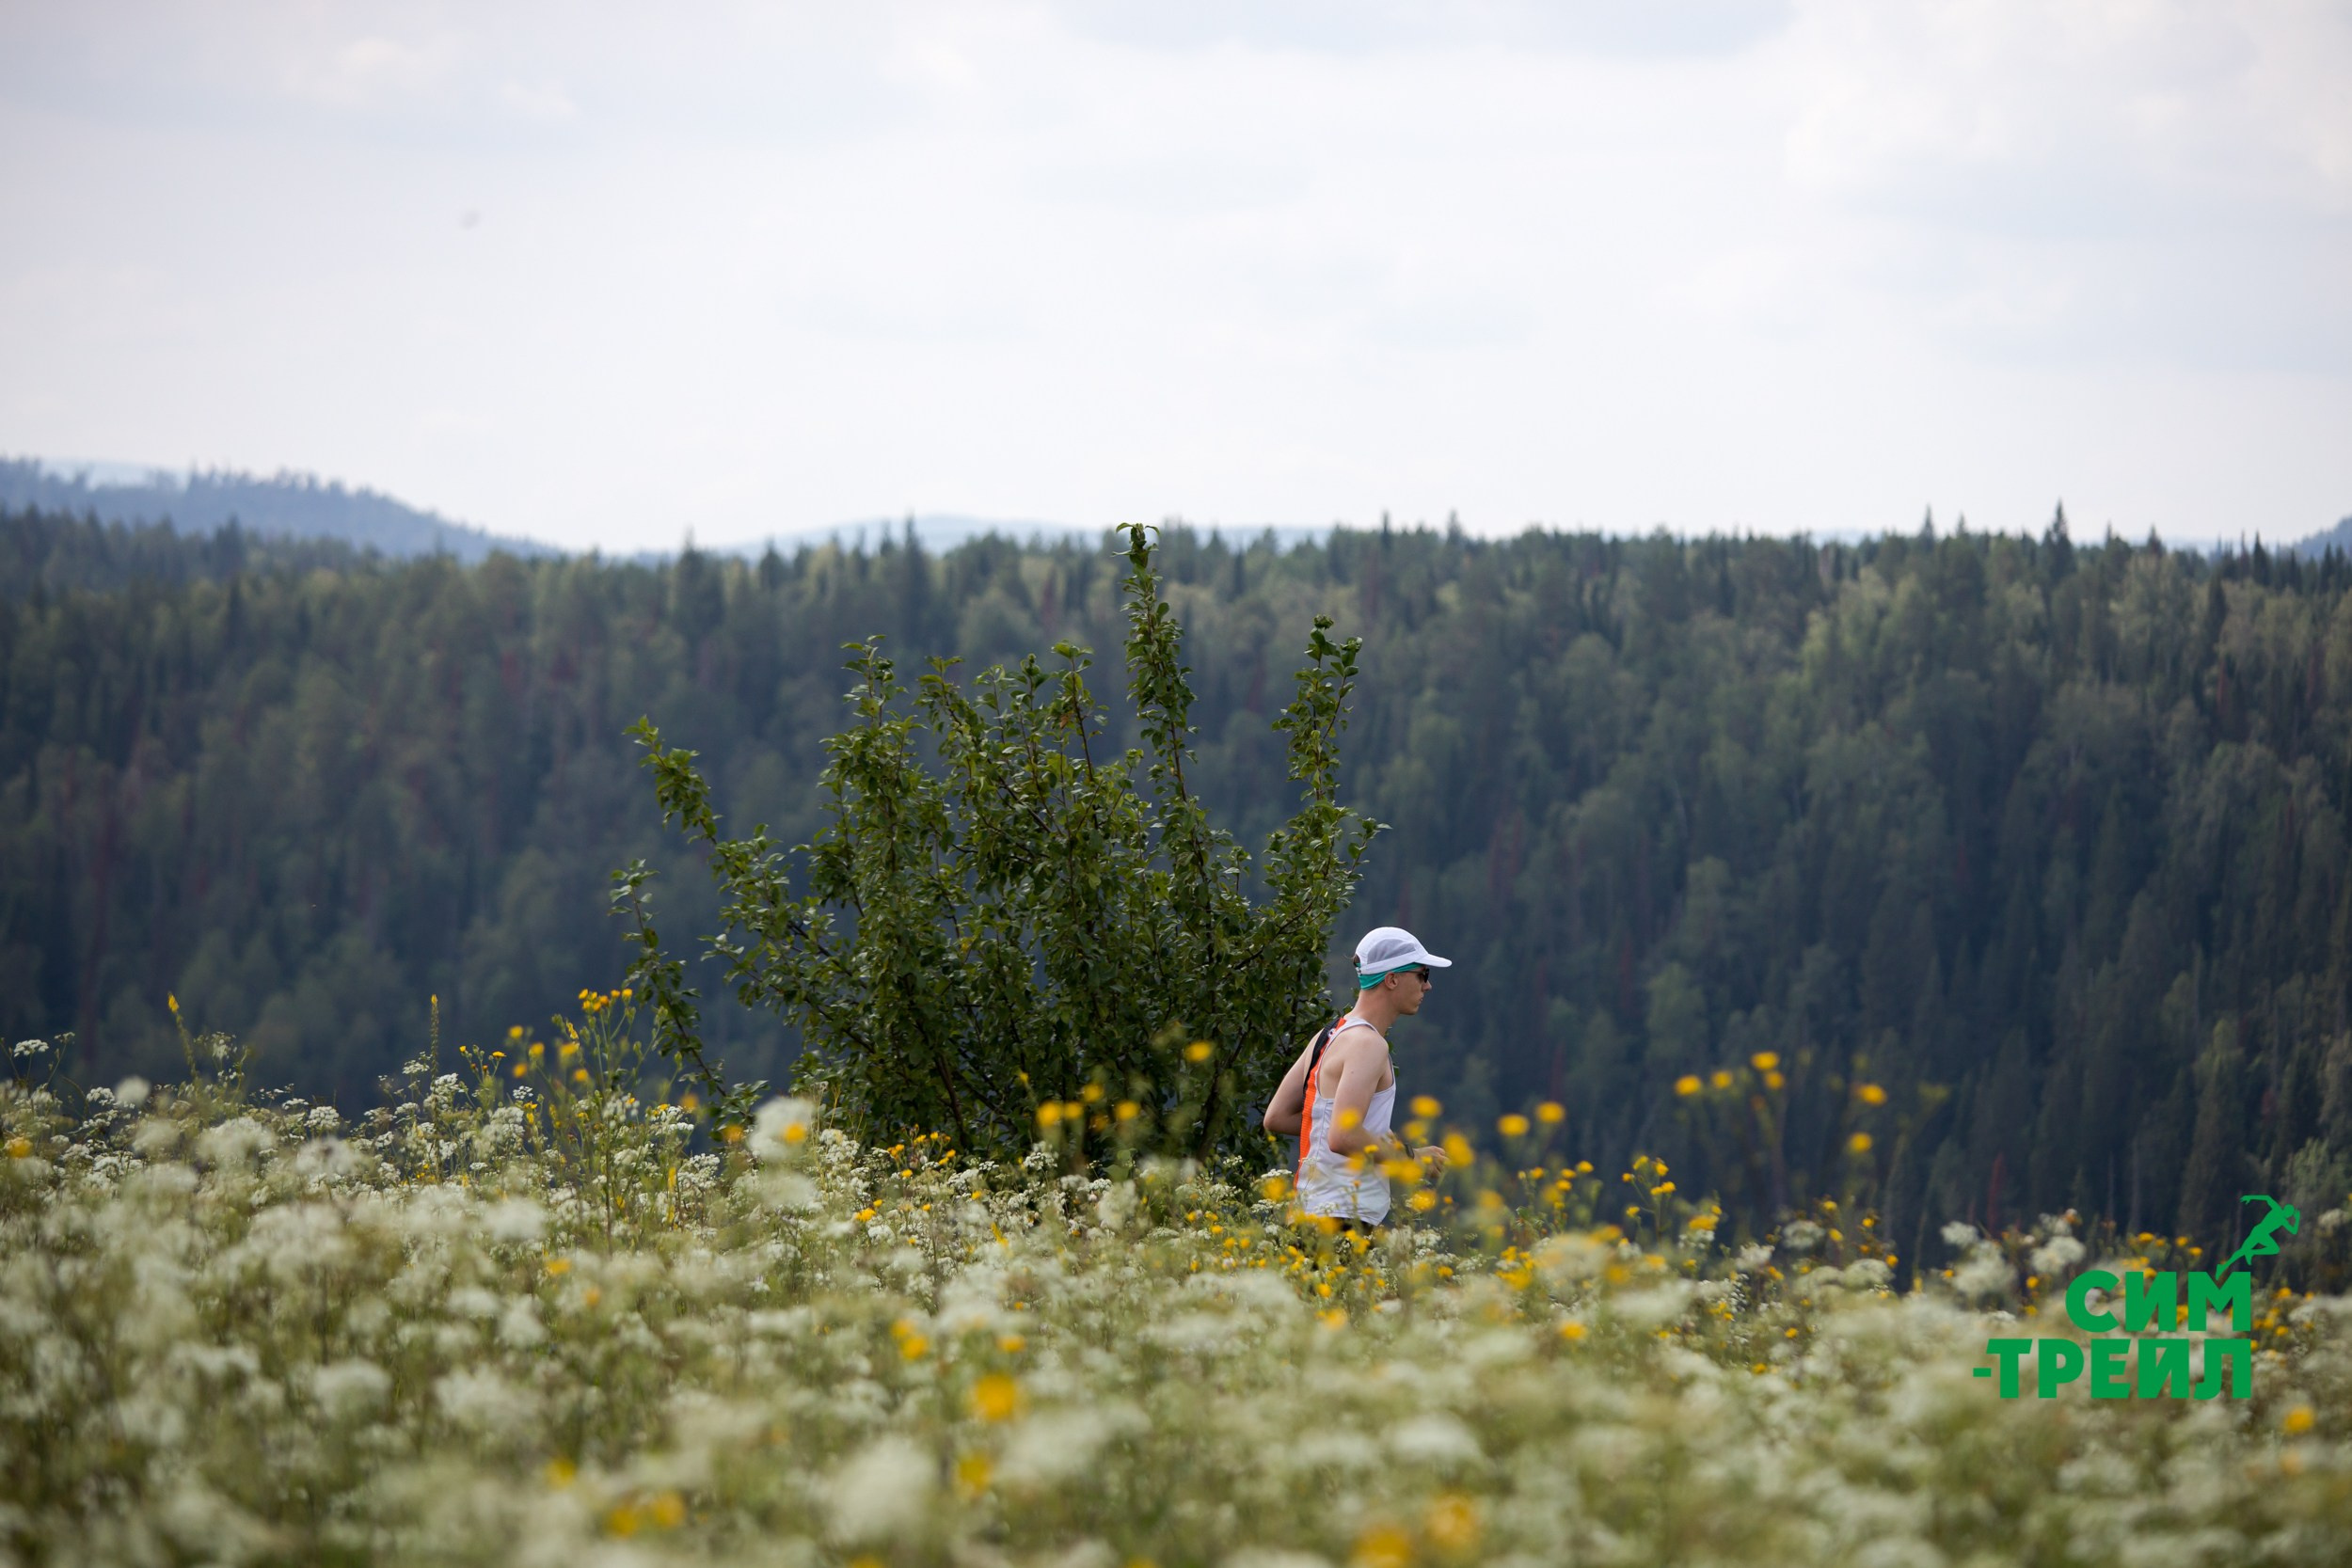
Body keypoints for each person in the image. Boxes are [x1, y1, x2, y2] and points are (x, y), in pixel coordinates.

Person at [1263, 927, 1451, 1227]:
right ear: (1392, 979)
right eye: (1422, 975)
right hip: (1342, 1221)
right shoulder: (1368, 1044)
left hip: (1307, 1216)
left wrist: (1364, 1134)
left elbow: (1276, 1117)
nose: (1427, 986)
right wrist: (1411, 1158)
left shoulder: (1329, 1035)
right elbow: (1344, 1135)